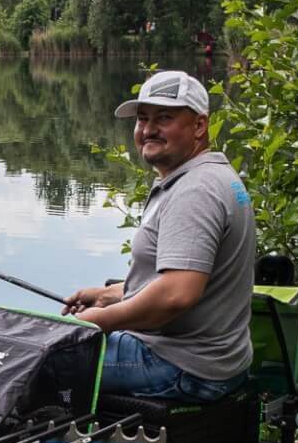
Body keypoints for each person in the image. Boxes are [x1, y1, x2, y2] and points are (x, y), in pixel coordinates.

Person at [63, 70, 256, 402]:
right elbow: (192, 279)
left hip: (179, 363)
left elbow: (175, 295)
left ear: (199, 125)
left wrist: (98, 322)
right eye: (142, 119)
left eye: (164, 118)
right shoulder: (214, 176)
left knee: (32, 356)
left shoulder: (196, 191)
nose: (148, 130)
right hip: (216, 360)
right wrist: (111, 295)